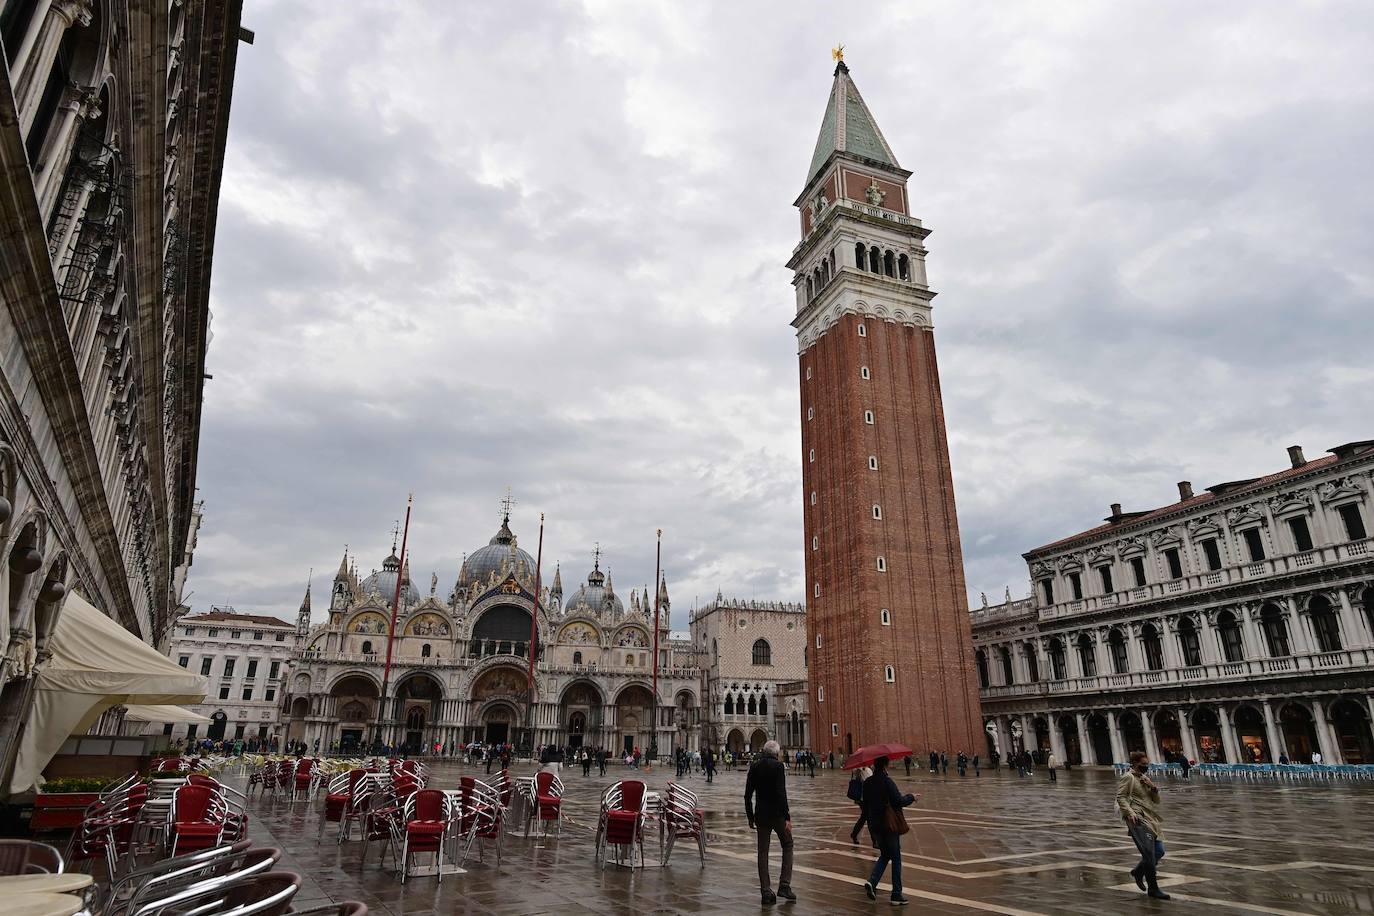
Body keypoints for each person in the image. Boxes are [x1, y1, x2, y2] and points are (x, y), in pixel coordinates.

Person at [745, 740, 795, 905]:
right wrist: (787, 817)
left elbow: (747, 795)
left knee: (762, 852)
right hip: (777, 815)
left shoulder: (755, 766)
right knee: (788, 845)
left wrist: (750, 817)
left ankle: (766, 891)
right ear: (776, 753)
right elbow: (781, 793)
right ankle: (784, 885)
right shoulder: (778, 767)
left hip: (761, 816)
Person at [861, 755, 916, 906]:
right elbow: (899, 801)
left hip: (875, 826)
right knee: (896, 857)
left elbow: (864, 804)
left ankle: (872, 882)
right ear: (885, 765)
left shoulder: (867, 783)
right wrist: (911, 797)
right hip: (888, 825)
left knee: (885, 854)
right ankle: (896, 894)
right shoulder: (887, 781)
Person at [1116, 750, 1170, 900]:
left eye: (1147, 764)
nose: (1146, 767)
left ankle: (1138, 872)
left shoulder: (1145, 778)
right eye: (1143, 764)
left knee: (1159, 851)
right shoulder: (1128, 777)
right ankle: (1153, 889)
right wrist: (1130, 813)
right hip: (1137, 819)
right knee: (1149, 854)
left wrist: (1153, 787)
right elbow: (1120, 797)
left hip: (1151, 818)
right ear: (1135, 764)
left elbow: (1156, 801)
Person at [848, 764, 872, 844]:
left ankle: (854, 834)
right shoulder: (857, 770)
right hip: (862, 799)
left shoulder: (868, 770)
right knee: (868, 818)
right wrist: (860, 770)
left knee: (865, 818)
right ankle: (874, 840)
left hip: (868, 798)